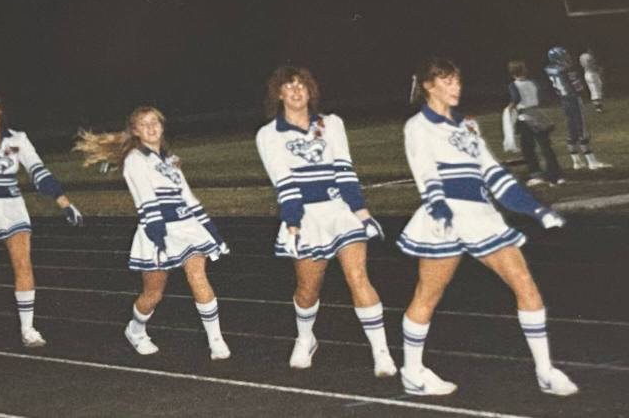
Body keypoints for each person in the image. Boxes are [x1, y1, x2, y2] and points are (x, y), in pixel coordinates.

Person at [396, 57, 578, 396]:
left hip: (481, 216)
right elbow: (426, 176)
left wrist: (537, 209)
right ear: (428, 86)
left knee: (524, 283)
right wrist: (439, 212)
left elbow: (493, 174)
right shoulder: (418, 127)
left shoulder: (468, 125)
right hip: (445, 217)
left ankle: (545, 371)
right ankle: (412, 371)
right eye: (447, 81)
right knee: (428, 295)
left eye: (457, 81)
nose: (456, 87)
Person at [255, 66, 396, 376]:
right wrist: (292, 224)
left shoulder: (331, 124)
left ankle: (381, 352)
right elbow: (284, 182)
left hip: (339, 210)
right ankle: (306, 338)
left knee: (358, 276)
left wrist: (362, 213)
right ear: (278, 93)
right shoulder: (269, 134)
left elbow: (345, 171)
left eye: (301, 85)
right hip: (305, 215)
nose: (296, 91)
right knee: (308, 289)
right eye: (288, 86)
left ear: (310, 91)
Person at [75, 106, 231, 360]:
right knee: (153, 293)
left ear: (162, 125)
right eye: (143, 124)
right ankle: (135, 330)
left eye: (155, 122)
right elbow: (145, 201)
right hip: (157, 229)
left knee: (197, 275)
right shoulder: (135, 160)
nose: (151, 127)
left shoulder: (170, 160)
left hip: (187, 227)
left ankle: (216, 340)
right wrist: (159, 238)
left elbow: (189, 198)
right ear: (135, 131)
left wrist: (213, 232)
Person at [0, 91, 84, 348]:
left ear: (0, 109)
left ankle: (28, 328)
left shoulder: (18, 138)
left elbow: (38, 170)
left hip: (12, 206)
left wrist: (63, 201)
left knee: (23, 265)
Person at [544, 46, 611, 170]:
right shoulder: (567, 69)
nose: (567, 57)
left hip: (563, 100)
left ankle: (576, 161)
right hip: (573, 99)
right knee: (582, 128)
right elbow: (578, 87)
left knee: (571, 128)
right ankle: (591, 161)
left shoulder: (549, 69)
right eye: (564, 55)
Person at [505, 60, 564, 186]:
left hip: (525, 116)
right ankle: (555, 174)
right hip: (538, 114)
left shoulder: (513, 85)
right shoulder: (533, 83)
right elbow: (540, 96)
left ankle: (535, 174)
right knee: (546, 147)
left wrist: (509, 108)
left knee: (528, 148)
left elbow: (516, 99)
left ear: (512, 74)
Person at [579, 48, 604, 113]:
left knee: (593, 90)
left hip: (586, 74)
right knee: (596, 90)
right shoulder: (588, 56)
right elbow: (591, 65)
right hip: (592, 73)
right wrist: (599, 69)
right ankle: (598, 107)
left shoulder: (581, 56)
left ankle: (598, 107)